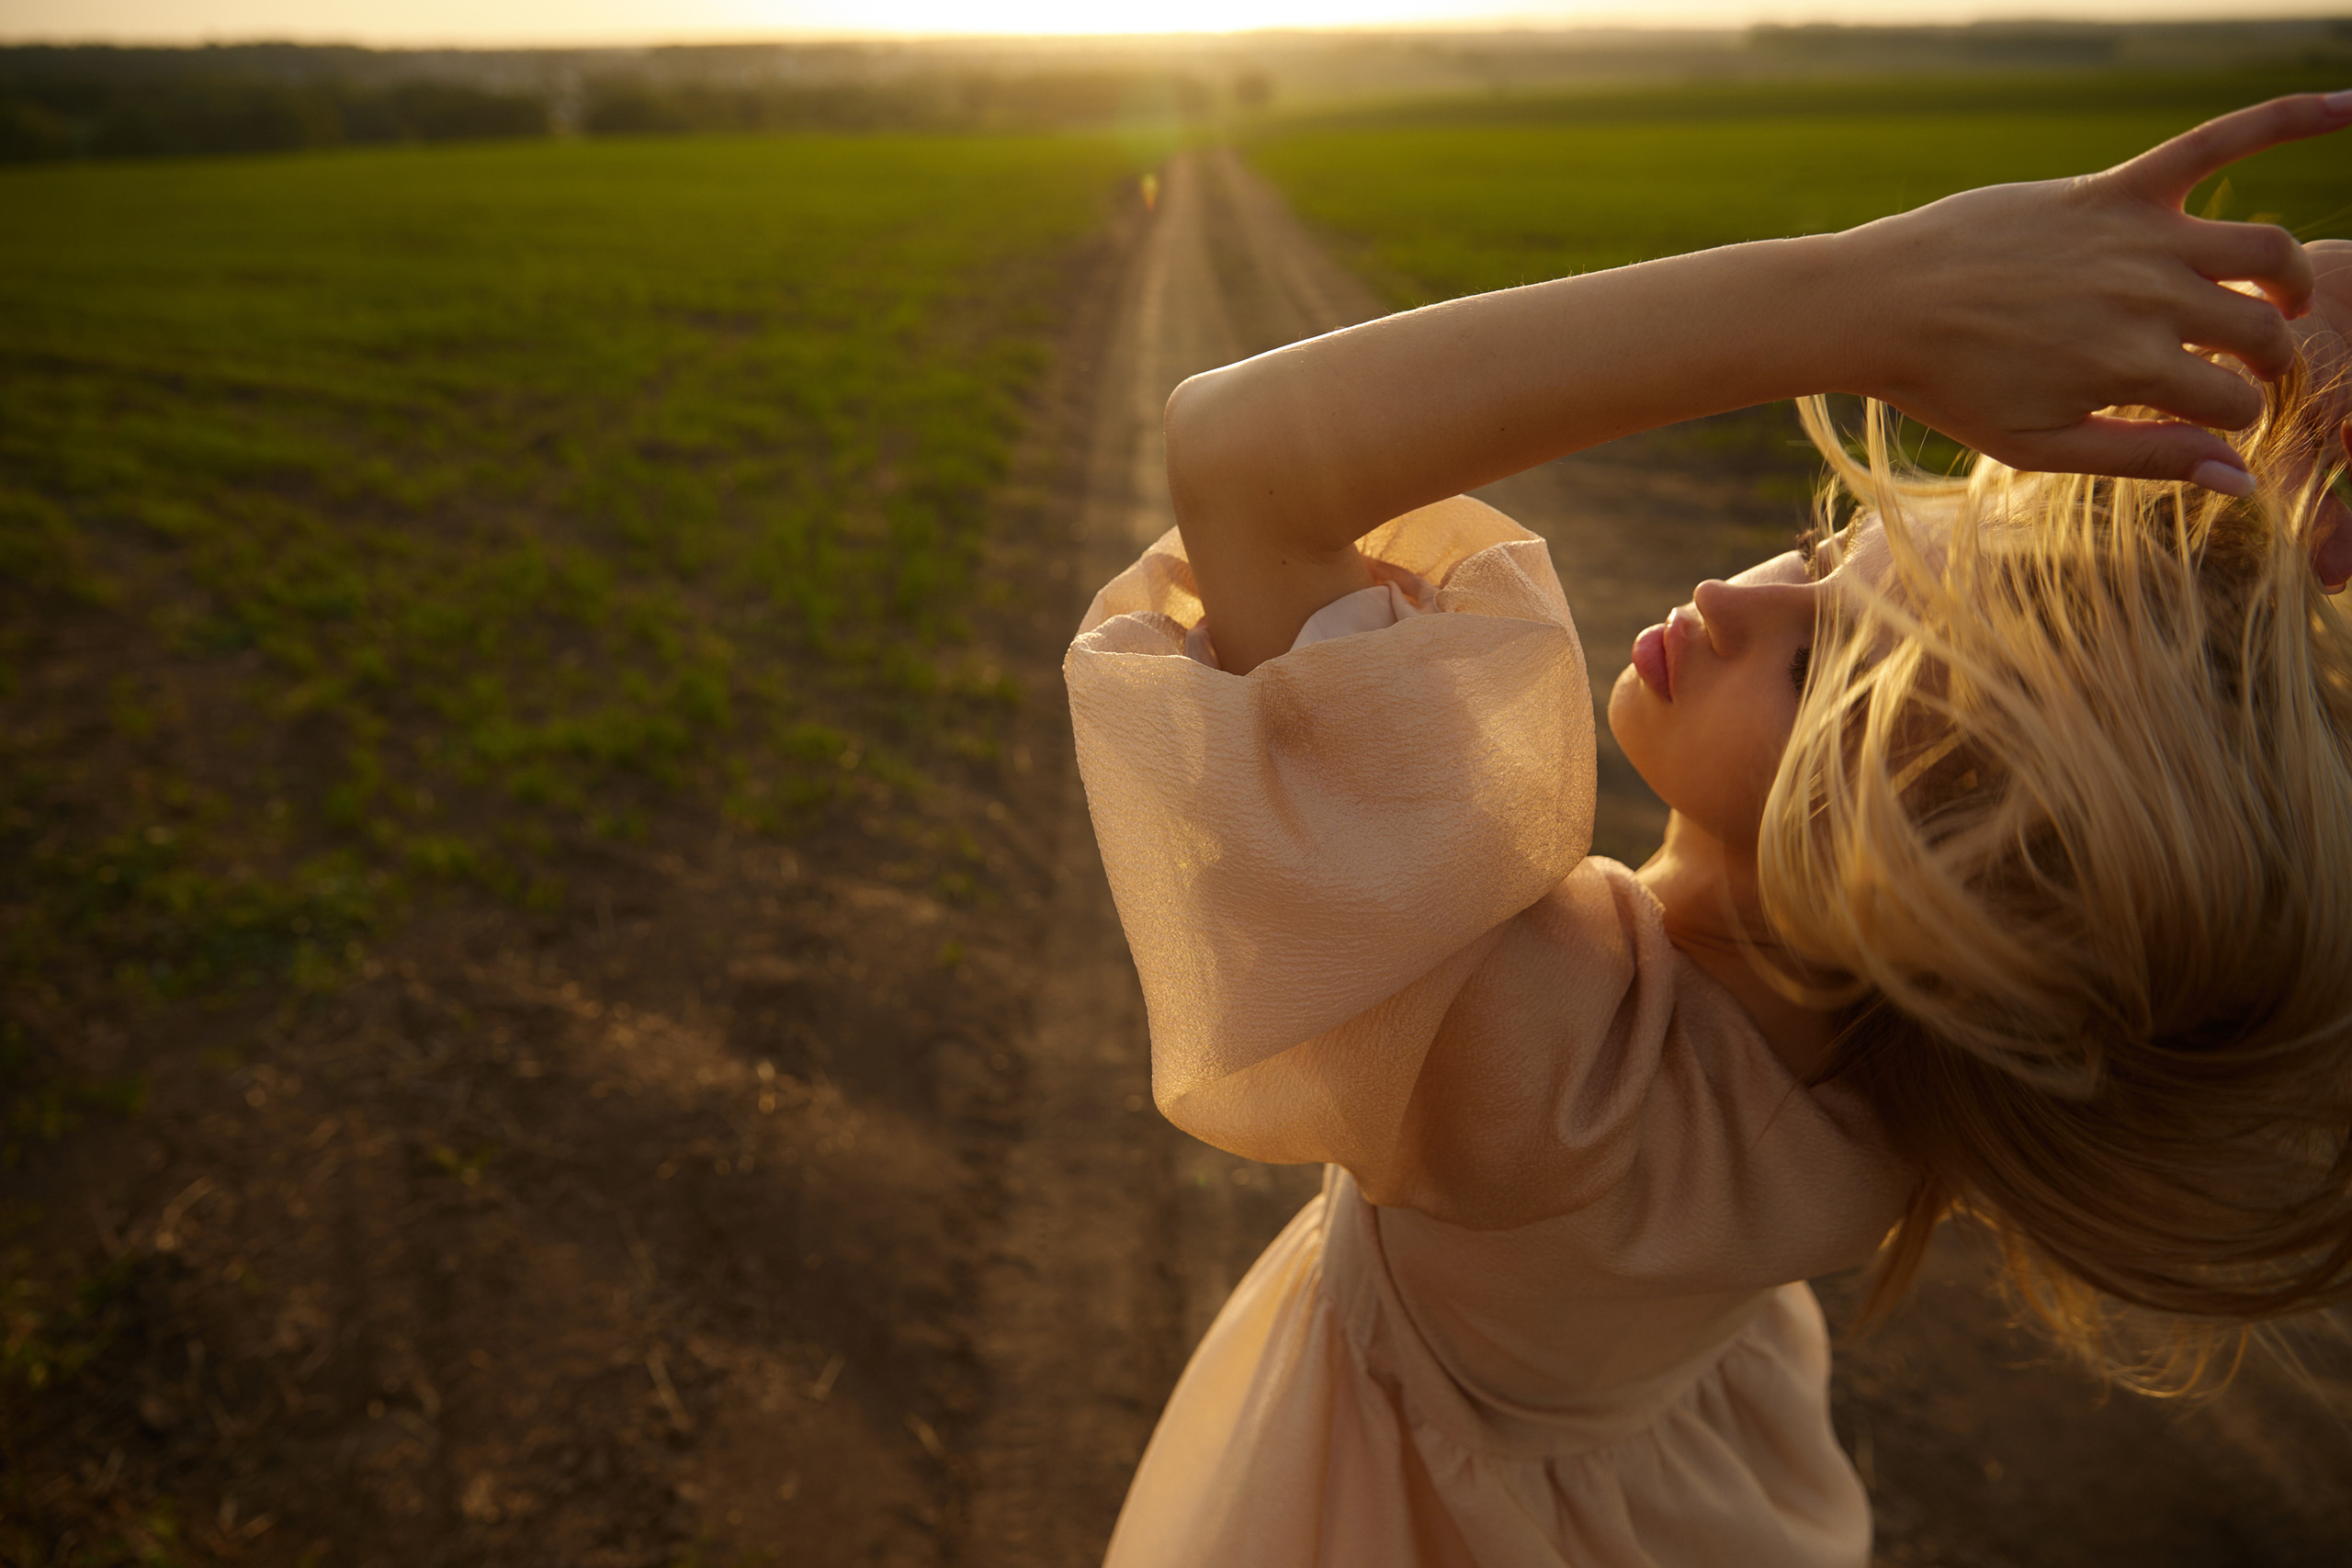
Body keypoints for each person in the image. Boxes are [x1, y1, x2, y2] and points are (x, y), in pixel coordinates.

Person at [1063, 94, 2352, 1566]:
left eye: (1817, 665)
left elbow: (1243, 450)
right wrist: (2277, 425)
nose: (1735, 600)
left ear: (1944, 872)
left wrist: (1877, 298)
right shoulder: (1898, 1070)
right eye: (1815, 555)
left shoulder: (1554, 1090)